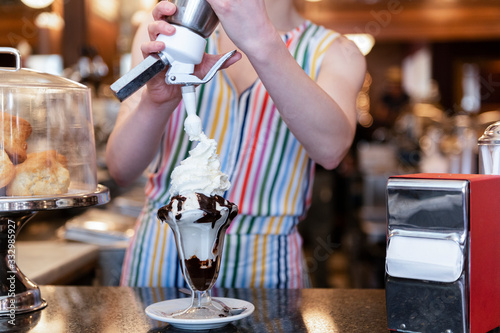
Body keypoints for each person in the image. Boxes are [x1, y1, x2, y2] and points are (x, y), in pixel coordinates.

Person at [106, 0, 366, 288]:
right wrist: (156, 103)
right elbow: (121, 169)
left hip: (266, 273)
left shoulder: (337, 52)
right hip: (159, 263)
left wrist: (263, 41)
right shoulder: (168, 32)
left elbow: (331, 151)